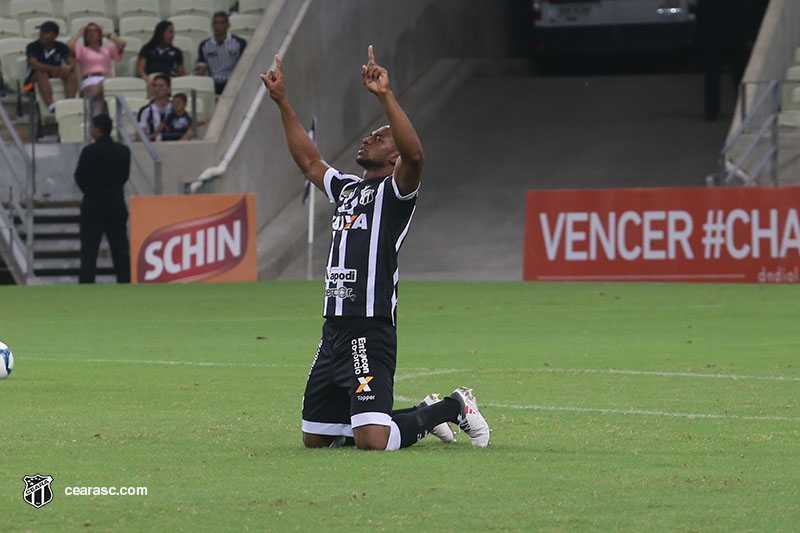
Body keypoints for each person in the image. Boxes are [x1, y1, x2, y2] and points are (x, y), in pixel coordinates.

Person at [261, 46, 492, 451]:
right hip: (333, 327)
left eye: (379, 136)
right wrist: (282, 102)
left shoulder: (395, 192)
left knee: (372, 441)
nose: (369, 138)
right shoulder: (348, 189)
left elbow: (417, 155)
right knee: (318, 437)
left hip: (369, 327)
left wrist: (384, 95)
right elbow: (310, 162)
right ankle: (423, 410)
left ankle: (453, 406)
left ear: (394, 156)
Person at [74, 114, 131, 284]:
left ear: (97, 128)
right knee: (120, 247)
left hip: (93, 204)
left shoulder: (89, 151)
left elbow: (79, 177)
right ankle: (125, 281)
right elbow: (124, 176)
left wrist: (91, 191)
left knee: (89, 249)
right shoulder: (123, 151)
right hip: (116, 203)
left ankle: (87, 283)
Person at [66, 22, 126, 114]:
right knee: (102, 90)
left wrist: (106, 34)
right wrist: (79, 34)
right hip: (90, 79)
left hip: (105, 78)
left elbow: (122, 43)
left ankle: (97, 113)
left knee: (102, 88)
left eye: (95, 31)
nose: (91, 33)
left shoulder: (107, 49)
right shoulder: (82, 50)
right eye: (88, 31)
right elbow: (69, 47)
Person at [24, 21, 78, 114]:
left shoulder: (61, 46)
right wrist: (55, 69)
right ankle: (51, 105)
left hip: (53, 75)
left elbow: (71, 61)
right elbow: (34, 64)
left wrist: (69, 68)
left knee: (71, 74)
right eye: (41, 32)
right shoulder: (32, 47)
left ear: (54, 35)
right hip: (29, 86)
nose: (41, 35)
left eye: (45, 32)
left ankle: (70, 102)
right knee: (41, 72)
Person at [196, 11, 247, 95]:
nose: (217, 26)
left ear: (228, 25)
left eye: (221, 23)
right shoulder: (204, 45)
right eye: (215, 23)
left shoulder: (239, 43)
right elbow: (201, 68)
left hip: (233, 82)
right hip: (213, 84)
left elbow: (244, 66)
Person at [136, 21, 185, 95]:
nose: (172, 36)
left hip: (169, 81)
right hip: (151, 80)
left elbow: (181, 72)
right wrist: (147, 80)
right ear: (161, 33)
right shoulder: (147, 49)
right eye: (170, 32)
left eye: (173, 33)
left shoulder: (176, 52)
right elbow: (140, 69)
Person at [137, 74, 172, 141]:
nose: (157, 89)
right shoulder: (145, 110)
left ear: (168, 90)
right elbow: (140, 135)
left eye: (160, 86)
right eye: (154, 86)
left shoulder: (175, 108)